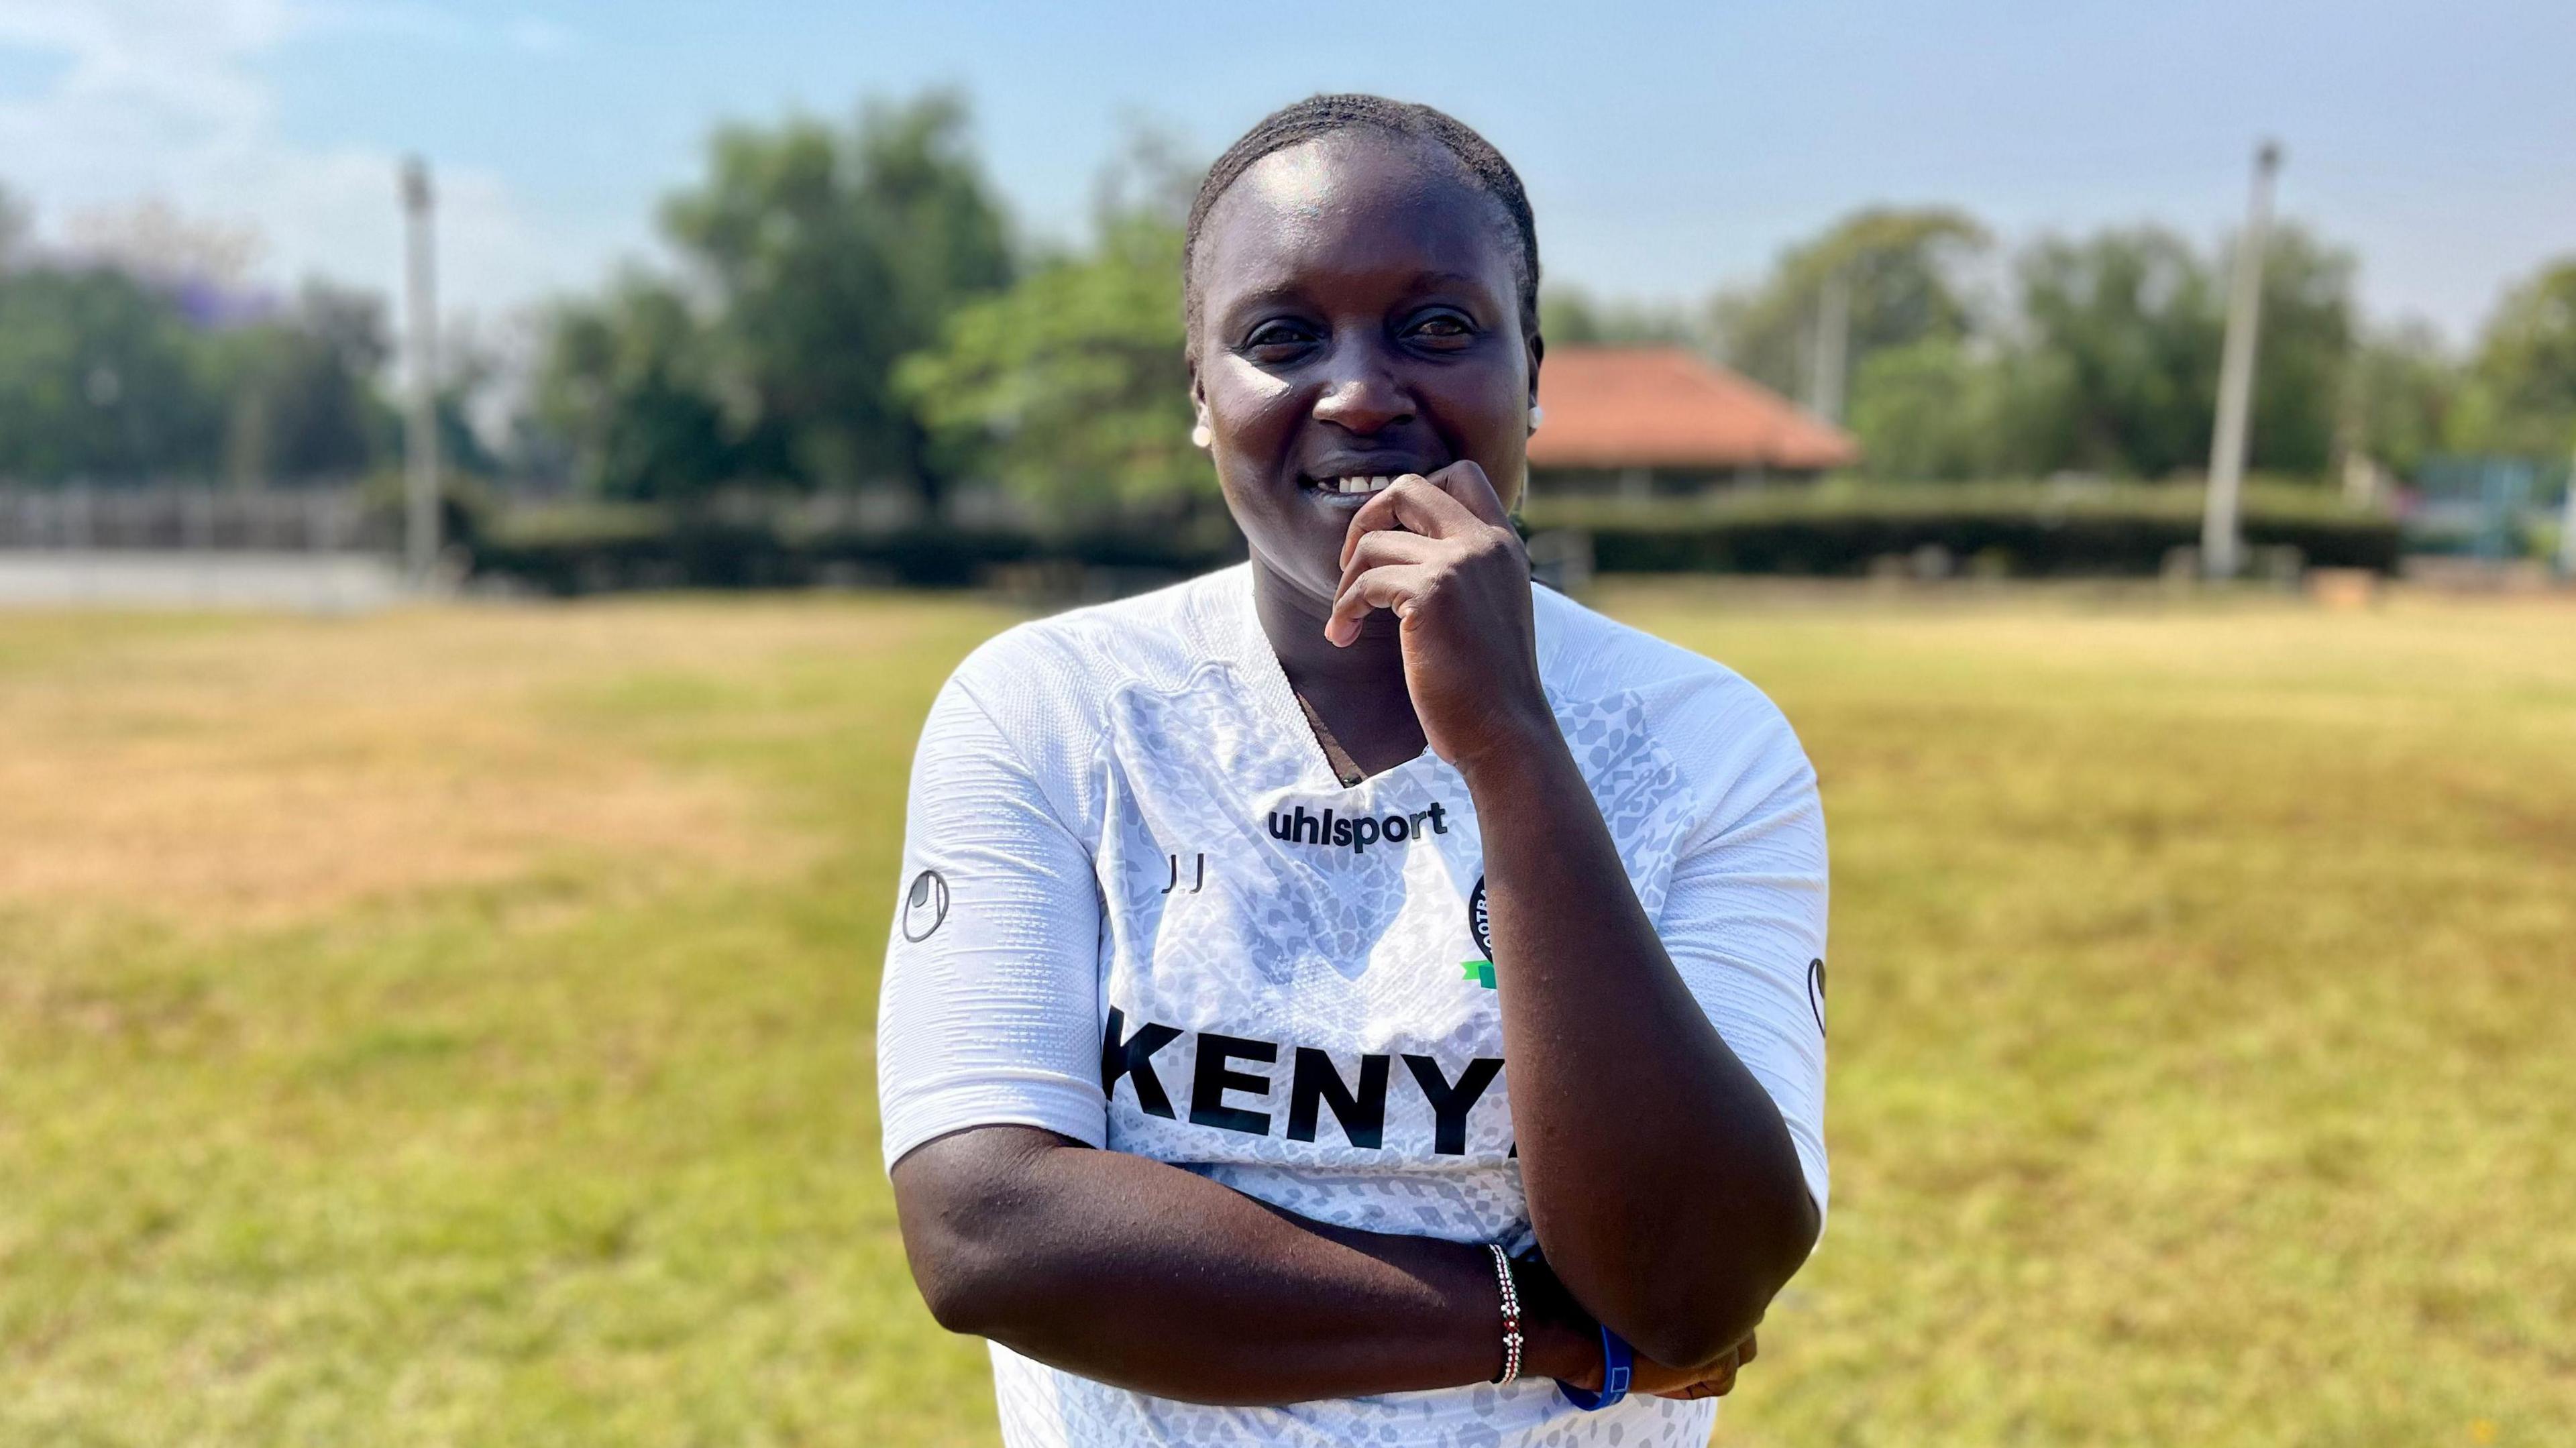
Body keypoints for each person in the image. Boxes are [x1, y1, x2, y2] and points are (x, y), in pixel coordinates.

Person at [875, 93, 1829, 1447]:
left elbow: (1692, 1285)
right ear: (1202, 396)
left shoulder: (1702, 744)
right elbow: (988, 1230)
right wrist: (1537, 1321)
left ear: (1534, 372)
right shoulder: (1053, 712)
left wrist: (1511, 744)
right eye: (1280, 338)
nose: (1366, 391)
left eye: (1439, 327)